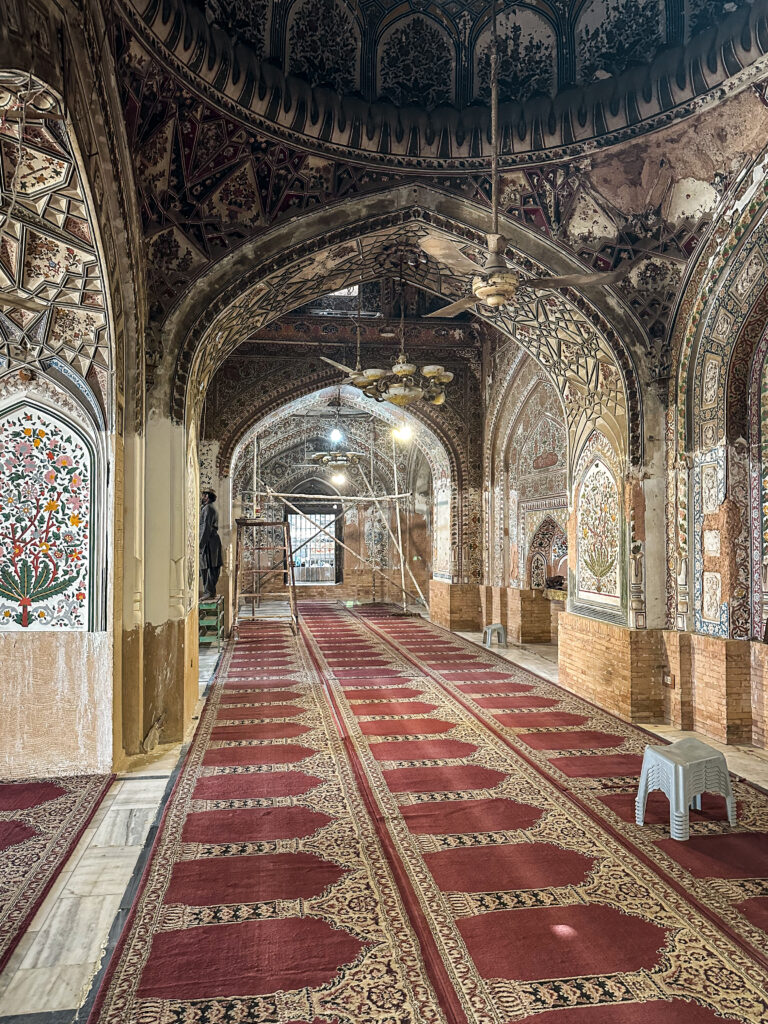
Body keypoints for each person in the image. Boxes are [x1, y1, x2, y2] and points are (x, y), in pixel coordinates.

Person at [199, 489, 222, 600]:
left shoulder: (208, 508)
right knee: (207, 566)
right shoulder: (209, 508)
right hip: (211, 540)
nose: (201, 497)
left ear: (207, 496)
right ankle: (208, 591)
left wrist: (200, 544)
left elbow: (206, 528)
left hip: (209, 541)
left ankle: (209, 591)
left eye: (203, 495)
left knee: (209, 567)